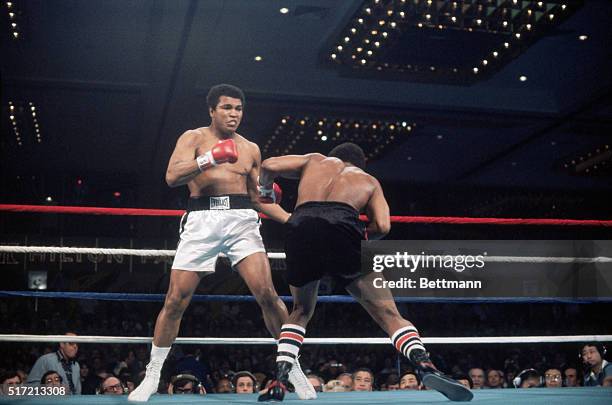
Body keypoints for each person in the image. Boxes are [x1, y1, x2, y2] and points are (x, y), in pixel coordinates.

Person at [128, 84, 314, 402]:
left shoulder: (252, 149)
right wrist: (209, 159)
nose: (234, 114)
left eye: (239, 109)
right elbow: (172, 177)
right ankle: (153, 375)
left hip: (242, 220)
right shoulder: (193, 138)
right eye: (227, 108)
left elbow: (258, 200)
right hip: (201, 220)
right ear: (212, 110)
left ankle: (291, 368)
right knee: (175, 300)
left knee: (268, 295)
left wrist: (291, 220)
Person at [256, 143, 473, 402]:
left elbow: (268, 165)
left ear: (333, 157)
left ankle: (280, 379)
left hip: (300, 225)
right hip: (344, 225)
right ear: (362, 162)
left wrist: (266, 191)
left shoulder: (315, 160)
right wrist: (356, 240)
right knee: (389, 314)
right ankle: (424, 364)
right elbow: (383, 225)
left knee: (300, 311)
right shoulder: (369, 181)